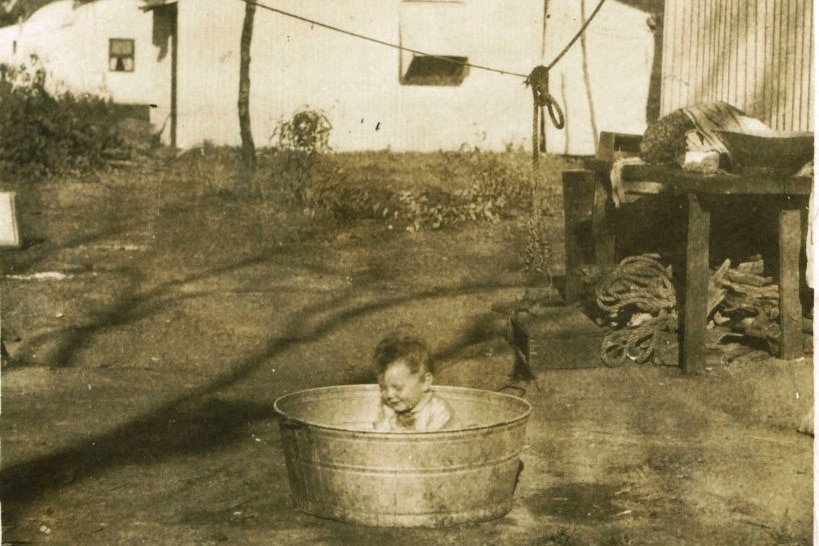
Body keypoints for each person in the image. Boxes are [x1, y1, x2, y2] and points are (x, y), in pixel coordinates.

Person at [371, 331, 458, 432]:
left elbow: (436, 445)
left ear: (425, 382)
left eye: (398, 388)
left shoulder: (438, 411)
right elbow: (379, 435)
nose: (389, 395)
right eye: (383, 388)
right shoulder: (387, 405)